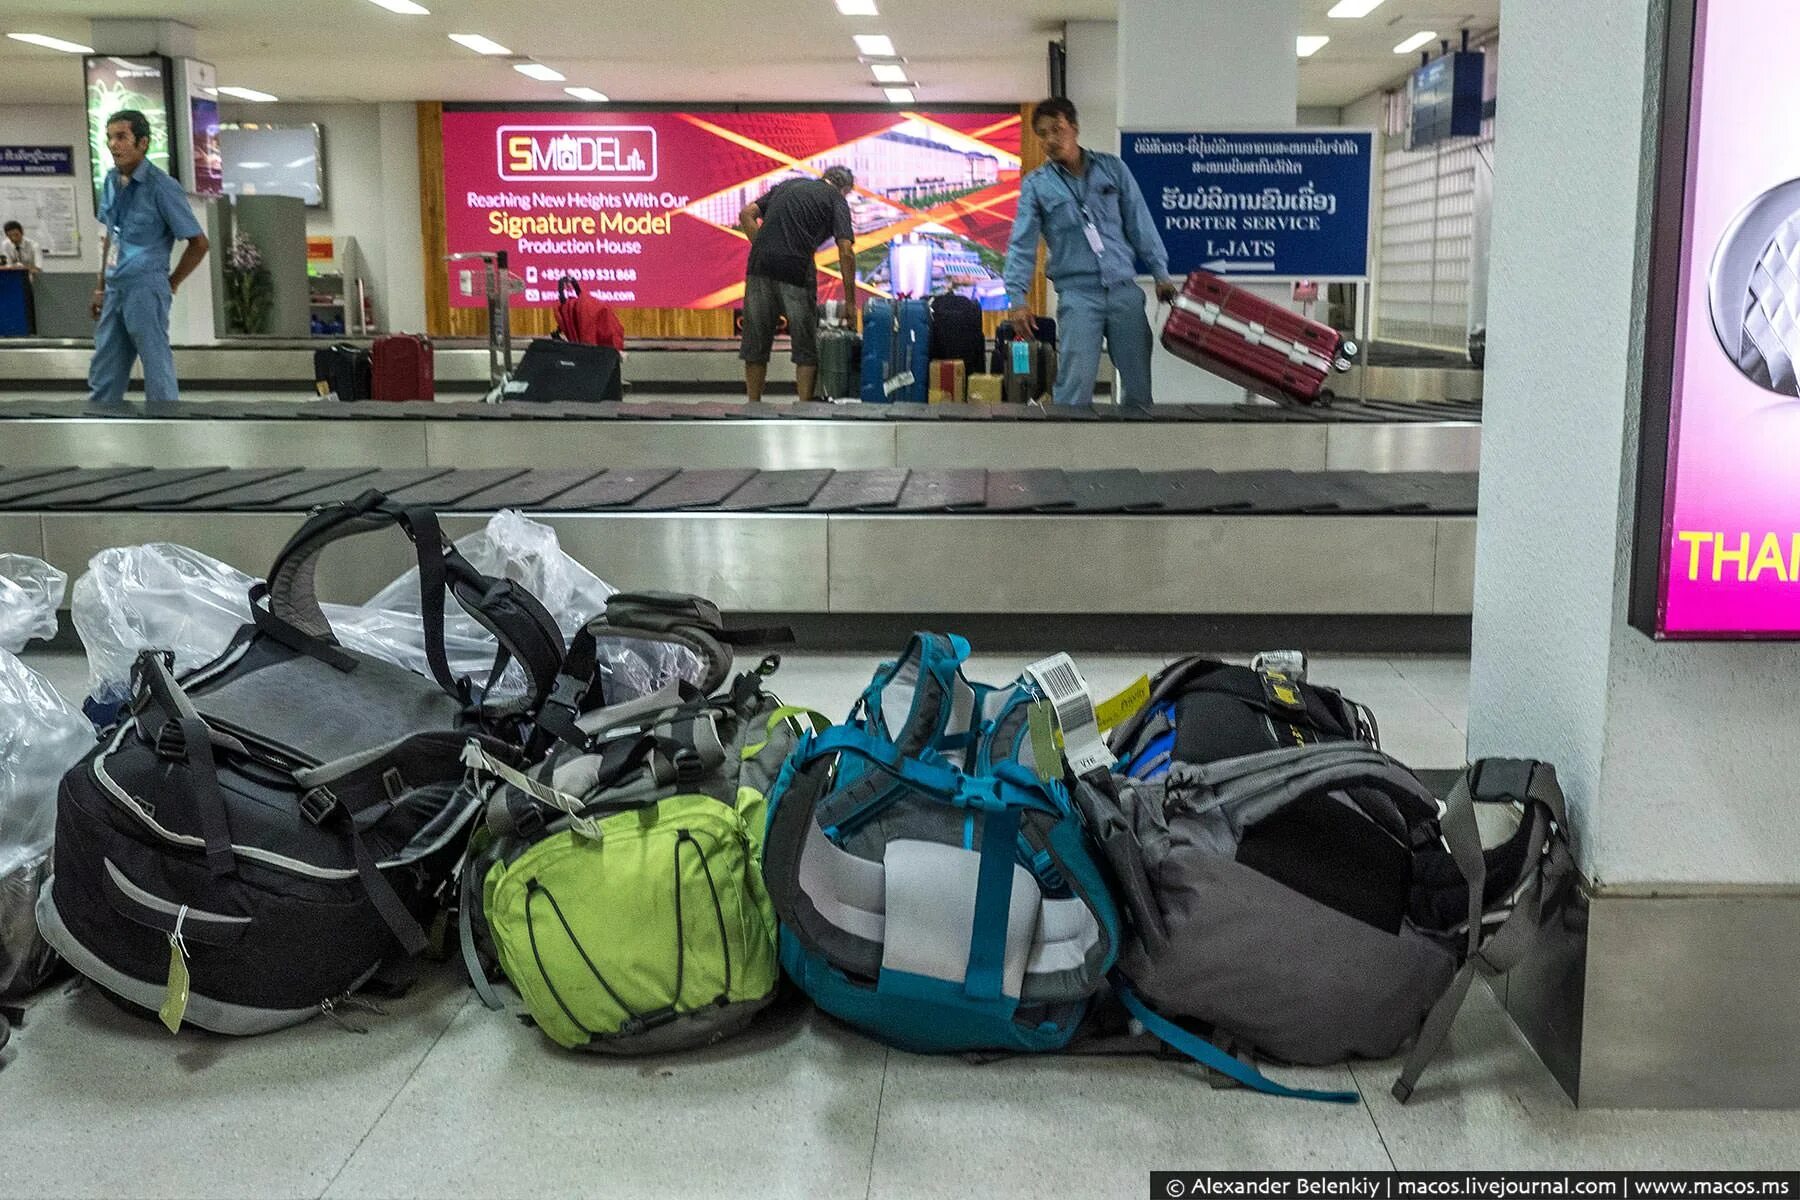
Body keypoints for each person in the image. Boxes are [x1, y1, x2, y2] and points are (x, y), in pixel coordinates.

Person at [1003, 98, 1178, 407]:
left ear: (1075, 127)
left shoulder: (1112, 169)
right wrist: (1017, 299)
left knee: (1139, 387)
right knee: (1074, 389)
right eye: (1042, 134)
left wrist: (1160, 274)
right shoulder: (1037, 186)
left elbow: (1140, 223)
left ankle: (1137, 453)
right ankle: (1068, 455)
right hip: (1078, 296)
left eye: (1057, 129)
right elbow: (1022, 244)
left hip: (1124, 292)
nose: (1050, 140)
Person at [87, 109, 209, 405]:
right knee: (105, 365)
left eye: (121, 137)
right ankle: (102, 423)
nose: (113, 145)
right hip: (115, 287)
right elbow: (110, 237)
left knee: (155, 361)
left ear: (143, 143)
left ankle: (165, 425)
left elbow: (199, 243)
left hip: (146, 286)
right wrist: (101, 286)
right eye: (109, 139)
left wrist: (172, 283)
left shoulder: (162, 187)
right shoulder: (112, 182)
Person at [738, 165, 858, 402]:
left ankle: (753, 404)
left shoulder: (787, 185)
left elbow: (746, 214)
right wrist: (851, 303)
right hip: (797, 270)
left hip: (760, 267)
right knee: (805, 346)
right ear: (845, 189)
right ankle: (804, 407)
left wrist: (763, 246)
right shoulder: (836, 199)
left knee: (755, 343)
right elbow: (845, 251)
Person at [1, 219, 41, 334]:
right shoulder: (6, 245)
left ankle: (33, 331)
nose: (14, 239)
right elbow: (7, 265)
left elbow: (38, 268)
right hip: (15, 283)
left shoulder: (34, 245)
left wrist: (24, 268)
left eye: (16, 235)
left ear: (22, 232)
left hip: (33, 281)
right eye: (10, 236)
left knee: (32, 308)